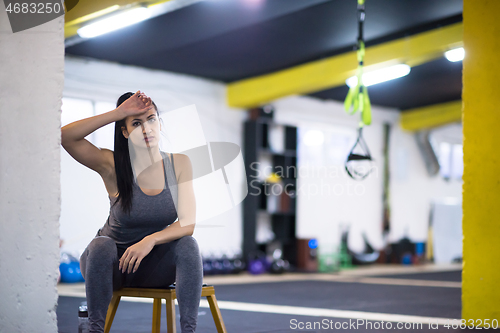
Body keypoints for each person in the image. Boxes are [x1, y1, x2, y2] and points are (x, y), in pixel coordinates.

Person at [61, 91, 203, 333]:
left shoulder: (179, 164)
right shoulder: (112, 165)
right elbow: (65, 137)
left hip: (150, 266)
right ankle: (94, 328)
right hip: (109, 266)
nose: (146, 128)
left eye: (151, 119)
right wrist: (119, 113)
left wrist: (150, 240)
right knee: (100, 245)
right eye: (136, 123)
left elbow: (188, 223)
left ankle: (189, 330)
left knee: (188, 245)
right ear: (125, 132)